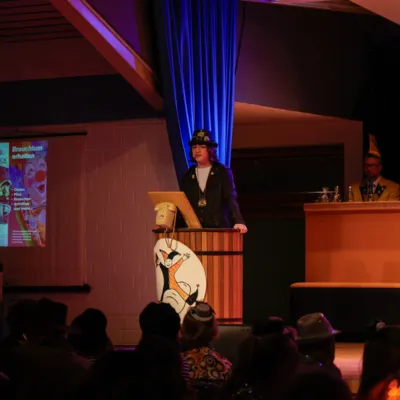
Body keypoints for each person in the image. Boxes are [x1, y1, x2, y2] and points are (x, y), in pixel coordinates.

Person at [181, 129, 247, 233]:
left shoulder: (222, 172)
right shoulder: (188, 175)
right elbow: (183, 204)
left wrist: (238, 221)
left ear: (210, 150)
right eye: (194, 147)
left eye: (202, 147)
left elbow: (231, 197)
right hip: (195, 231)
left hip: (218, 229)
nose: (197, 150)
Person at [351, 135, 400, 202]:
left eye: (371, 165)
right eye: (366, 165)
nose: (368, 168)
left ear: (380, 167)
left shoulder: (393, 188)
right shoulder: (354, 189)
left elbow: (391, 208)